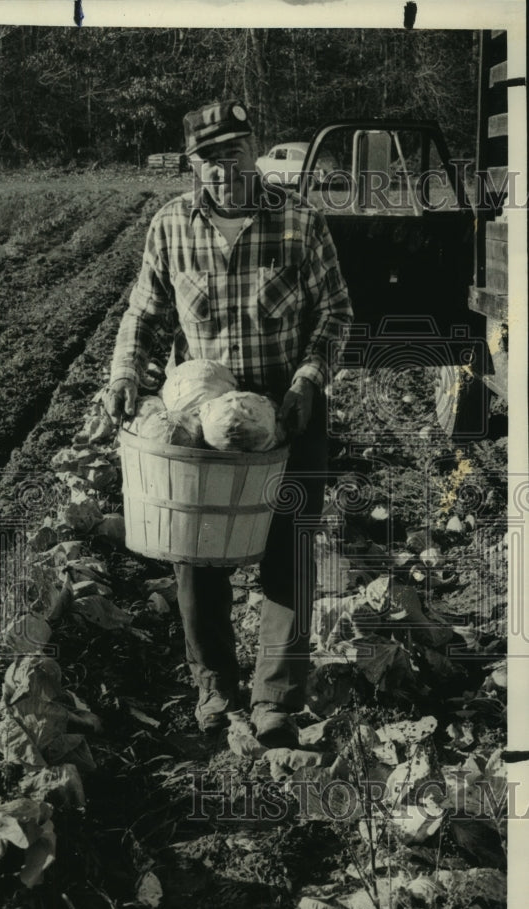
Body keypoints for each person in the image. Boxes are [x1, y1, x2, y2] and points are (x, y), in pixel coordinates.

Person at [104, 100, 353, 748]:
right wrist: (125, 372)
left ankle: (276, 701)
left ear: (254, 150)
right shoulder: (170, 226)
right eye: (208, 158)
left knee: (288, 553)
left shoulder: (300, 221)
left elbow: (335, 312)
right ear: (193, 165)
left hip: (288, 410)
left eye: (233, 153)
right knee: (197, 554)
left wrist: (308, 380)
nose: (222, 169)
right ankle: (214, 688)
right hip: (201, 423)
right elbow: (145, 314)